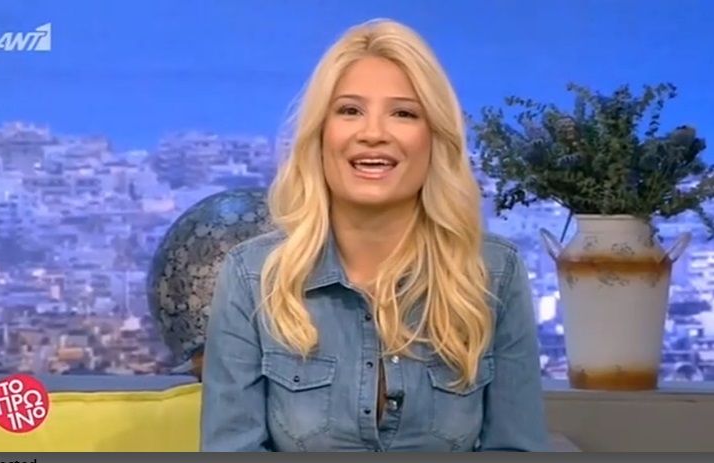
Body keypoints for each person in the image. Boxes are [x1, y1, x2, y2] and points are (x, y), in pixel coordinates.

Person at [200, 18, 549, 452]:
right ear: (320, 134)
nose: (373, 134)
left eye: (403, 113)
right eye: (350, 111)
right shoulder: (252, 276)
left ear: (434, 137)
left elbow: (515, 447)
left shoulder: (494, 273)